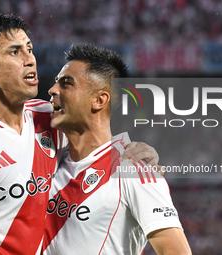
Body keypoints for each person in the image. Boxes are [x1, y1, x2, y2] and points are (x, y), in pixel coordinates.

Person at [0, 14, 159, 255]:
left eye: (29, 49)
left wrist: (138, 152)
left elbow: (96, 136)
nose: (30, 59)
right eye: (15, 52)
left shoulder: (49, 118)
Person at [42, 43, 192, 255]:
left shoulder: (133, 171)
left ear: (99, 100)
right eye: (56, 82)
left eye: (66, 84)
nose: (52, 90)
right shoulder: (45, 161)